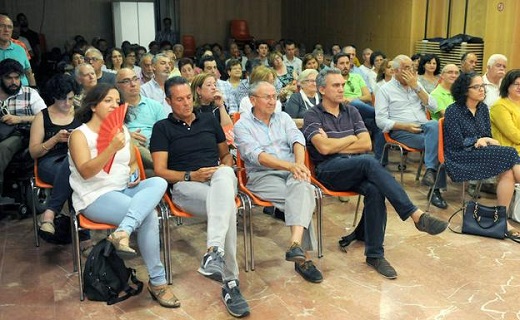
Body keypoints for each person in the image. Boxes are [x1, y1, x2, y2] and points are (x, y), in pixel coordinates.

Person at [302, 68, 449, 279]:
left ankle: (374, 255)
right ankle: (415, 215)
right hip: (329, 170)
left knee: (375, 189)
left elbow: (366, 142)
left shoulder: (351, 111)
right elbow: (324, 149)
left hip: (355, 167)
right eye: (336, 85)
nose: (341, 89)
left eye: (343, 85)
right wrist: (351, 140)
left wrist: (337, 143)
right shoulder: (312, 115)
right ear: (322, 89)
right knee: (369, 161)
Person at [68, 83, 179, 308]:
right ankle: (158, 282)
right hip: (95, 195)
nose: (114, 105)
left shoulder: (121, 130)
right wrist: (110, 148)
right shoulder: (80, 135)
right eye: (108, 100)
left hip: (124, 188)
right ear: (93, 105)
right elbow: (86, 172)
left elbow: (129, 162)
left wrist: (133, 173)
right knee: (148, 215)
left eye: (117, 101)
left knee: (158, 180)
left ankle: (123, 231)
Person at [150, 76, 250, 317]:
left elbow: (225, 156)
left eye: (188, 98)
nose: (186, 104)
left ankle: (214, 253)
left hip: (217, 181)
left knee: (226, 172)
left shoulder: (208, 120)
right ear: (168, 101)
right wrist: (190, 175)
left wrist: (221, 168)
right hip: (186, 186)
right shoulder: (162, 128)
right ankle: (231, 282)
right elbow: (161, 171)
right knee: (227, 208)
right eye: (179, 100)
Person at [234, 81, 322, 283]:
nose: (273, 101)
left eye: (274, 96)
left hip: (291, 172)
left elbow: (298, 140)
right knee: (303, 196)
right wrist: (290, 167)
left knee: (302, 187)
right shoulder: (242, 125)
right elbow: (259, 156)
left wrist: (299, 165)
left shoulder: (283, 118)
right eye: (267, 97)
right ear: (253, 100)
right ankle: (303, 260)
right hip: (262, 176)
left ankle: (295, 245)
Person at [444, 72, 520, 238]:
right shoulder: (453, 111)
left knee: (508, 170)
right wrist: (478, 140)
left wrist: (484, 139)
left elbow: (487, 135)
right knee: (510, 153)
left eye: (482, 86)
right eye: (476, 87)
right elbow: (457, 142)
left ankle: (502, 220)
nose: (482, 89)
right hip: (459, 156)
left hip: (479, 153)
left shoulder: (483, 108)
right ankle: (503, 220)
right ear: (465, 90)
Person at [375, 54, 447, 209]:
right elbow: (380, 121)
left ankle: (430, 171)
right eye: (406, 68)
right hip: (402, 131)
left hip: (424, 127)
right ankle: (435, 191)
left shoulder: (417, 85)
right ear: (395, 71)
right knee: (439, 144)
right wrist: (404, 126)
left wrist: (417, 88)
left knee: (434, 126)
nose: (411, 71)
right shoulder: (384, 90)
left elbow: (434, 106)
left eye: (412, 68)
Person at [28, 74, 81, 239]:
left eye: (71, 99)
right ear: (53, 97)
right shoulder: (42, 117)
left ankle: (50, 214)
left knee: (74, 169)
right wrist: (54, 139)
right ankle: (83, 236)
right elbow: (34, 152)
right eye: (62, 99)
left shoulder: (80, 114)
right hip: (49, 161)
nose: (67, 103)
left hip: (77, 161)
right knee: (74, 171)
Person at [0, 59, 46, 203]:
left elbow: (45, 117)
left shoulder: (29, 93)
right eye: (9, 78)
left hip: (21, 133)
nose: (13, 81)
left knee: (3, 148)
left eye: (16, 77)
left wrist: (18, 119)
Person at [116, 68, 167, 169]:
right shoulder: (115, 109)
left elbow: (166, 133)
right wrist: (128, 135)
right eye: (127, 81)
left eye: (136, 79)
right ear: (118, 86)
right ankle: (162, 168)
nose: (133, 84)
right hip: (127, 154)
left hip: (154, 148)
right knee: (131, 142)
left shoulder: (155, 106)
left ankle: (161, 167)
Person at [0, 14, 36, 86]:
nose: (6, 30)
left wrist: (34, 90)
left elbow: (28, 72)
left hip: (22, 91)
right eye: (2, 26)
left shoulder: (20, 48)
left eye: (9, 27)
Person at [490, 69, 520, 154]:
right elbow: (514, 135)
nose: (519, 87)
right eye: (516, 84)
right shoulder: (499, 106)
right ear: (507, 85)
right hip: (509, 152)